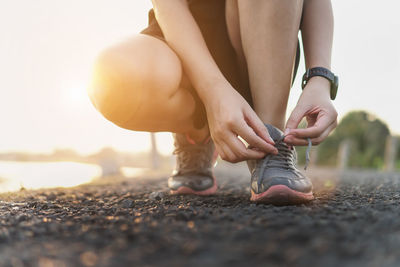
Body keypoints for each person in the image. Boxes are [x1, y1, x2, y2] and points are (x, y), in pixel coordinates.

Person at [88, 0, 338, 205]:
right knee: (111, 79)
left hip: (262, 41)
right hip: (182, 41)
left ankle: (270, 139)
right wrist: (212, 92)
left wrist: (320, 77)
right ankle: (197, 132)